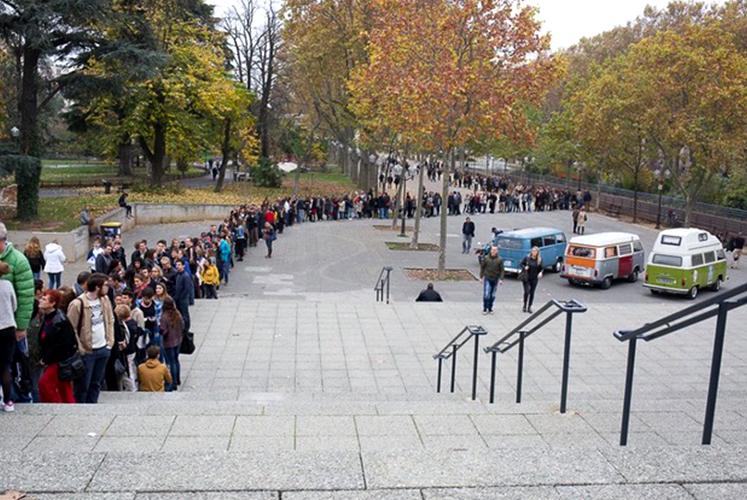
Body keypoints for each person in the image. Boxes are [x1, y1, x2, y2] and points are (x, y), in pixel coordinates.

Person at [67, 273, 115, 404]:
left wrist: (110, 342)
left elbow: (110, 320)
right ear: (97, 287)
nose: (108, 287)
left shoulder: (104, 300)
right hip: (87, 351)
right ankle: (81, 410)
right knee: (83, 386)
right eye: (105, 285)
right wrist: (81, 349)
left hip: (103, 348)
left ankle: (93, 407)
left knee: (96, 383)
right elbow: (71, 329)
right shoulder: (77, 304)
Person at [37, 289, 78, 403]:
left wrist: (46, 359)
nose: (41, 300)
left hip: (59, 360)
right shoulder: (47, 317)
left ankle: (55, 407)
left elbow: (62, 344)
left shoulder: (61, 320)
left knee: (44, 384)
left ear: (52, 303)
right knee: (63, 388)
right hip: (53, 359)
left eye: (44, 299)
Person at [0, 222, 34, 358]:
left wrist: (21, 327)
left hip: (9, 326)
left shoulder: (19, 261)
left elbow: (25, 297)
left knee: (12, 366)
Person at [0, 262, 18, 412]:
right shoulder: (7, 285)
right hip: (7, 327)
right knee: (5, 366)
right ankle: (8, 401)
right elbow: (14, 306)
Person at [160, 298, 184, 391]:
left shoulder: (164, 317)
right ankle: (177, 379)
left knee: (171, 361)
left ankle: (173, 382)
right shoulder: (177, 313)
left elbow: (164, 331)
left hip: (169, 342)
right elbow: (183, 325)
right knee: (176, 360)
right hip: (178, 340)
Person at [479, 245, 504, 315]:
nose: (493, 251)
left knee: (492, 295)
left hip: (495, 278)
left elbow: (502, 270)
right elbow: (483, 268)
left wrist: (501, 279)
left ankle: (490, 308)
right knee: (486, 294)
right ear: (490, 250)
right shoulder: (486, 258)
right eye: (492, 250)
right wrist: (481, 277)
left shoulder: (499, 259)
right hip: (487, 277)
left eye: (495, 250)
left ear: (497, 251)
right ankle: (485, 307)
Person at [520, 246, 543, 314]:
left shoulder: (539, 260)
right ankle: (524, 305)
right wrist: (525, 267)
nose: (533, 253)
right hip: (527, 277)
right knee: (526, 292)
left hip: (534, 278)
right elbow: (521, 264)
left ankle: (529, 306)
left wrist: (540, 273)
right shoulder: (527, 258)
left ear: (537, 253)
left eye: (535, 251)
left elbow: (541, 268)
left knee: (532, 292)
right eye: (532, 251)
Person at [174, 260, 191, 335]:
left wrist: (181, 297)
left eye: (179, 265)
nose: (177, 266)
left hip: (183, 299)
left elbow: (187, 288)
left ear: (183, 266)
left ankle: (186, 328)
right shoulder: (177, 274)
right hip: (178, 298)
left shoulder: (185, 276)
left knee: (184, 314)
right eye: (176, 265)